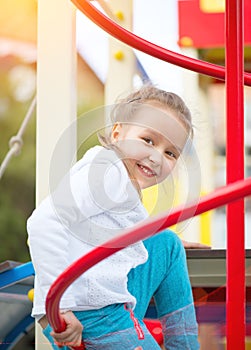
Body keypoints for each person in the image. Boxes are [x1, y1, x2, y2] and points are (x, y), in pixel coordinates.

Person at [27, 85, 202, 349]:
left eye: (170, 153)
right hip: (88, 313)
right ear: (118, 133)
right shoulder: (106, 171)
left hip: (101, 299)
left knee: (167, 244)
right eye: (148, 140)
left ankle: (184, 344)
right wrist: (60, 308)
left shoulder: (120, 178)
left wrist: (149, 240)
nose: (156, 157)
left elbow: (107, 231)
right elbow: (43, 223)